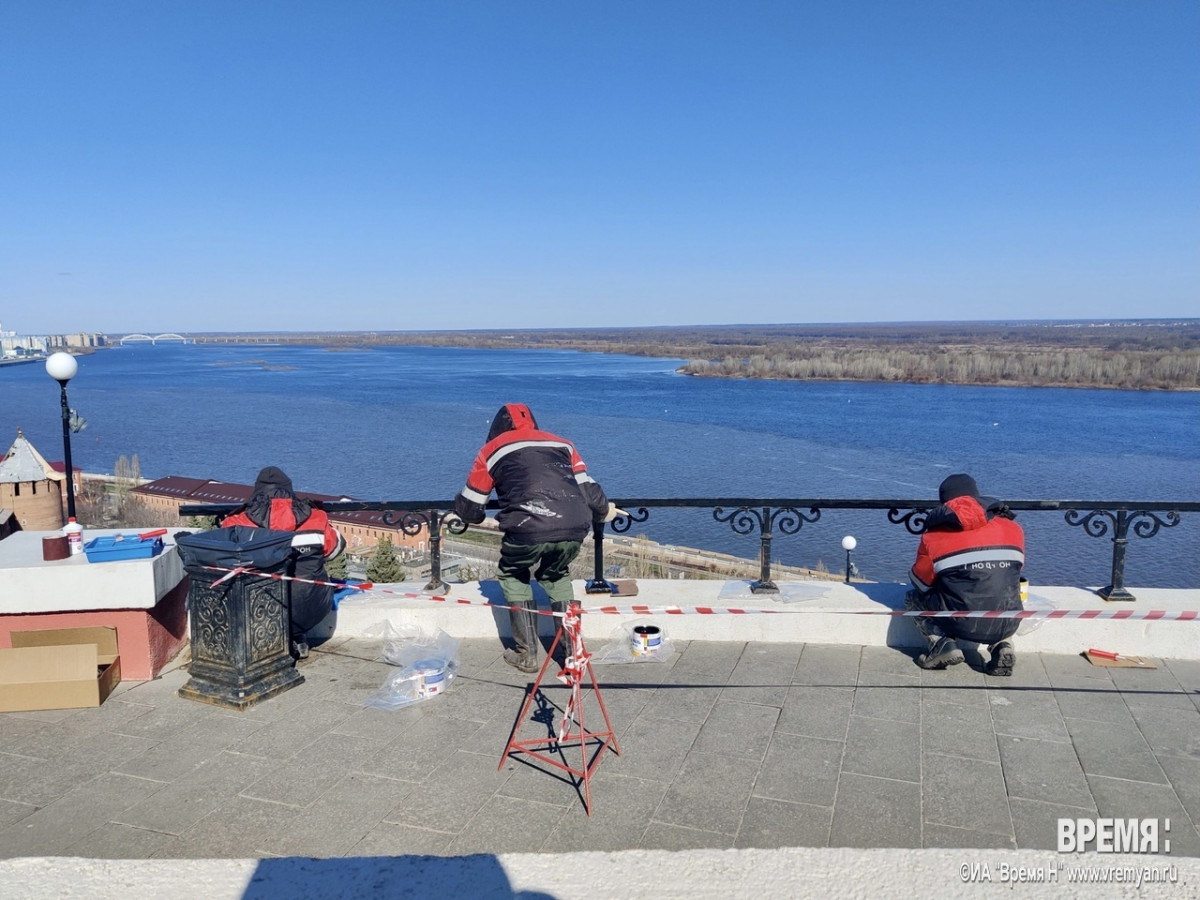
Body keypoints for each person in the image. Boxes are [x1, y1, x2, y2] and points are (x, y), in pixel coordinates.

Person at [454, 403, 620, 673]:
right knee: (557, 576)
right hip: (575, 526)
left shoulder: (491, 450)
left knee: (513, 574)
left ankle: (526, 654)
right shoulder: (563, 444)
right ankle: (571, 654)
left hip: (526, 527)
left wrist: (459, 506)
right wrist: (604, 511)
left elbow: (471, 510)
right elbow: (591, 492)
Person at [907, 473, 1025, 676]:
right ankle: (1002, 645)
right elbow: (1014, 572)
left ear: (945, 504)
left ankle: (942, 644)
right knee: (999, 587)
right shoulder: (1013, 528)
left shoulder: (934, 537)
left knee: (912, 598)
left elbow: (921, 583)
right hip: (1010, 618)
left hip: (962, 622)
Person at [221, 466, 345, 659]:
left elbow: (223, 558)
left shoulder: (236, 522)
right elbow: (334, 549)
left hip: (258, 612)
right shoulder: (316, 517)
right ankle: (297, 636)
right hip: (311, 609)